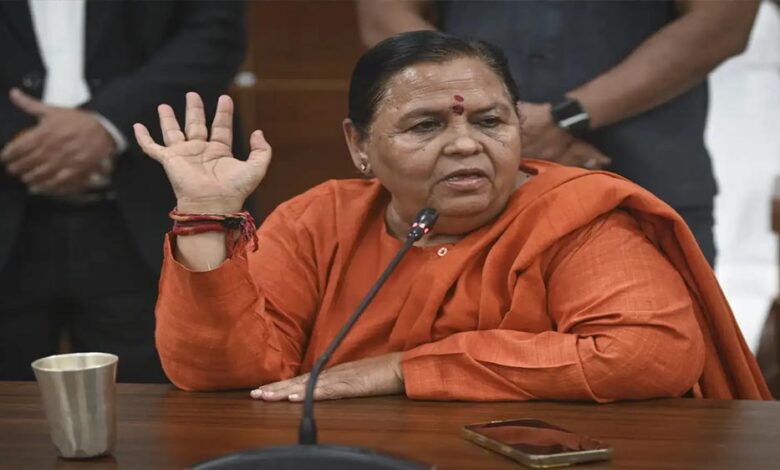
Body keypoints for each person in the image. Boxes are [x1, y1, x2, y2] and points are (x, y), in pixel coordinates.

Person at [135, 32, 770, 401]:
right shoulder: (319, 220)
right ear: (359, 145)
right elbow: (222, 375)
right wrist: (205, 216)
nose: (466, 144)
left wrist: (402, 370)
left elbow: (648, 356)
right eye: (425, 125)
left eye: (491, 121)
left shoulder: (580, 216)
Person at [356, 0, 761, 267]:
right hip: (460, 190)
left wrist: (566, 116)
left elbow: (722, 23)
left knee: (654, 354)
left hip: (642, 176)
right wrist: (501, 119)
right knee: (446, 357)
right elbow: (384, 16)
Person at [0, 1, 246, 382]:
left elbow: (215, 31)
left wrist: (108, 122)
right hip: (11, 213)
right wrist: (17, 137)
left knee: (160, 401)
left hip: (148, 211)